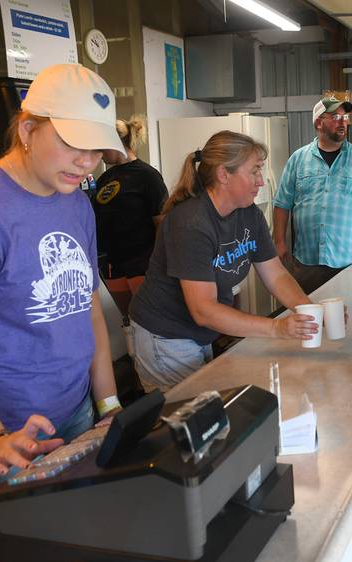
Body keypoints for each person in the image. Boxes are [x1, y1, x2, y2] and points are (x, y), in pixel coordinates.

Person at [0, 63, 124, 506]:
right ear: (28, 129)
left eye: (98, 150)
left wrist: (108, 406)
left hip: (74, 416)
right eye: (74, 143)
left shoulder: (74, 203)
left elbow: (85, 308)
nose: (88, 163)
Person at [128, 130, 318, 393]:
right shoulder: (191, 222)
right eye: (254, 171)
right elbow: (203, 310)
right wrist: (276, 328)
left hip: (198, 333)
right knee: (186, 422)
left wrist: (311, 313)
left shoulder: (249, 214)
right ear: (223, 174)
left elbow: (276, 274)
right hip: (165, 337)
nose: (261, 181)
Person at [272, 95, 352, 294]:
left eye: (345, 118)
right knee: (309, 319)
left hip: (348, 262)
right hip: (306, 263)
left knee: (350, 318)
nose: (342, 122)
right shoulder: (298, 160)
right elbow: (282, 203)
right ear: (319, 123)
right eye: (335, 117)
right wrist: (279, 241)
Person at [92, 115, 168, 317]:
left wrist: (157, 261)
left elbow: (162, 222)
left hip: (141, 260)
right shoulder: (106, 178)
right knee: (129, 318)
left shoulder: (147, 175)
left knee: (147, 317)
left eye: (102, 146)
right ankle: (135, 350)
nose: (99, 153)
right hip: (113, 261)